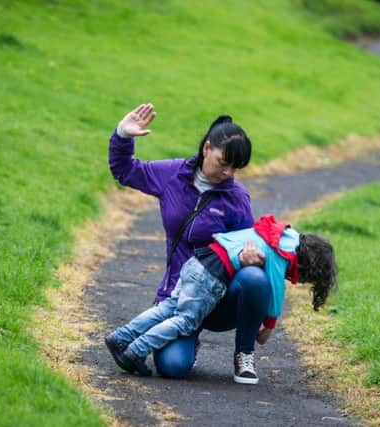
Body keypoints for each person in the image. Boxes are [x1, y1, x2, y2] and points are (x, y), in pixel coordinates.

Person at [105, 102, 268, 381]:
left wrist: (266, 313)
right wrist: (123, 135)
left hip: (218, 298)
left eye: (236, 168)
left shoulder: (236, 197)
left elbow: (247, 246)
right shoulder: (172, 175)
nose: (228, 173)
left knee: (254, 278)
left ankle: (244, 354)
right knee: (172, 367)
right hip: (178, 296)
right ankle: (182, 341)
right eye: (223, 163)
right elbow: (124, 171)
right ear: (207, 149)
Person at [105, 214, 338, 384]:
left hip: (199, 262)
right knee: (185, 321)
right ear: (308, 264)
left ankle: (120, 337)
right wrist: (269, 325)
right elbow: (275, 289)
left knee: (169, 309)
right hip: (212, 275)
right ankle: (135, 352)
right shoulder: (285, 252)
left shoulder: (280, 234)